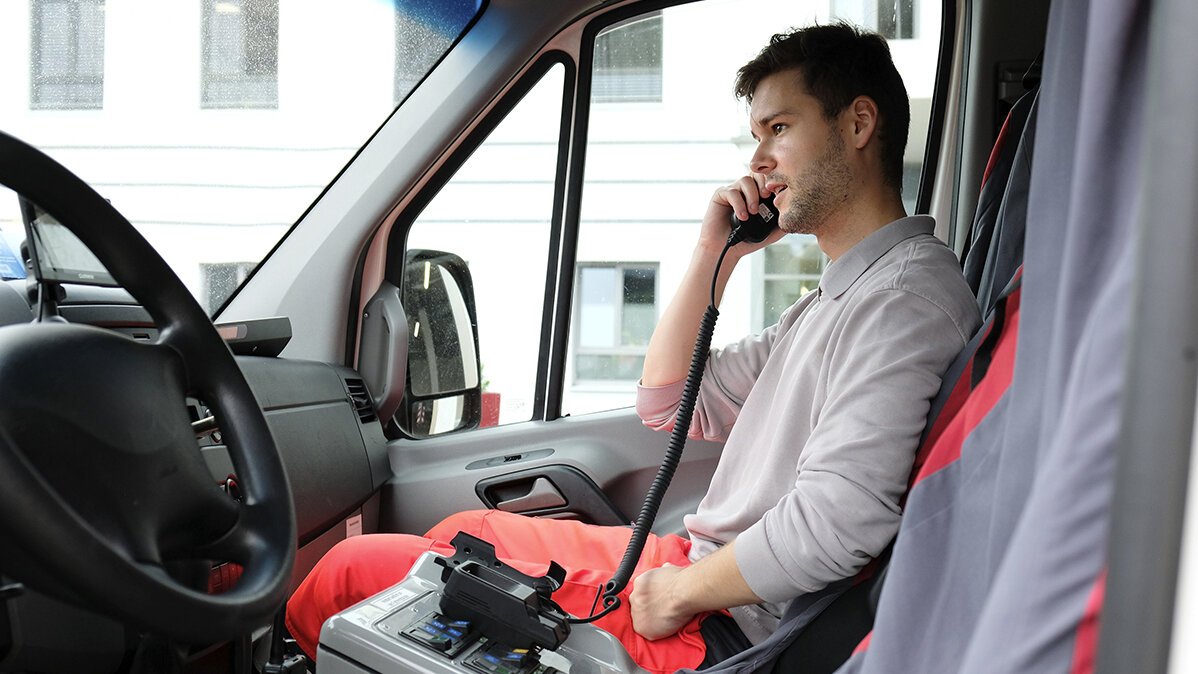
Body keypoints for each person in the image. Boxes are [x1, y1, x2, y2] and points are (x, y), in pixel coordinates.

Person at [285, 22, 981, 673]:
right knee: (463, 528)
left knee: (353, 573)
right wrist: (716, 252)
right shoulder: (838, 296)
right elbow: (667, 402)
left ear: (859, 124)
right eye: (756, 135)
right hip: (696, 564)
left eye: (778, 129)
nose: (758, 160)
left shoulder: (902, 304)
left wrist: (679, 593)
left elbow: (838, 522)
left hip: (718, 618)